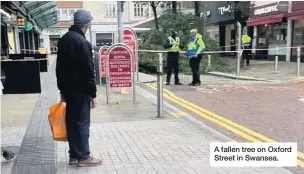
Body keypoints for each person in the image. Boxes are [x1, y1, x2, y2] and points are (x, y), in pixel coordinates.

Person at [56, 9, 102, 167]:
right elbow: (89, 71)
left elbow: (59, 70)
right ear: (86, 24)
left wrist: (62, 90)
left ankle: (74, 155)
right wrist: (93, 94)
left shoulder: (64, 40)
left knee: (72, 122)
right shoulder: (83, 42)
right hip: (81, 91)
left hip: (69, 91)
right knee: (82, 123)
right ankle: (84, 157)